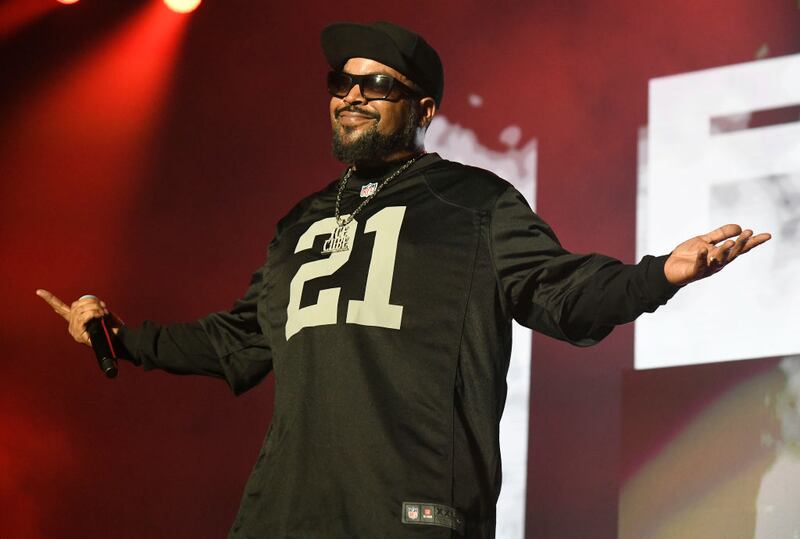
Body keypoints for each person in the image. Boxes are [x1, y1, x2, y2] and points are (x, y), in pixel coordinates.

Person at [37, 21, 771, 538]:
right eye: (341, 81)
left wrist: (659, 275)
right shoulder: (300, 221)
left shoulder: (475, 202)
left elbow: (558, 292)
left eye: (377, 83)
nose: (351, 94)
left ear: (423, 109)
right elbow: (238, 339)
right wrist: (122, 337)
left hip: (410, 515)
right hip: (282, 518)